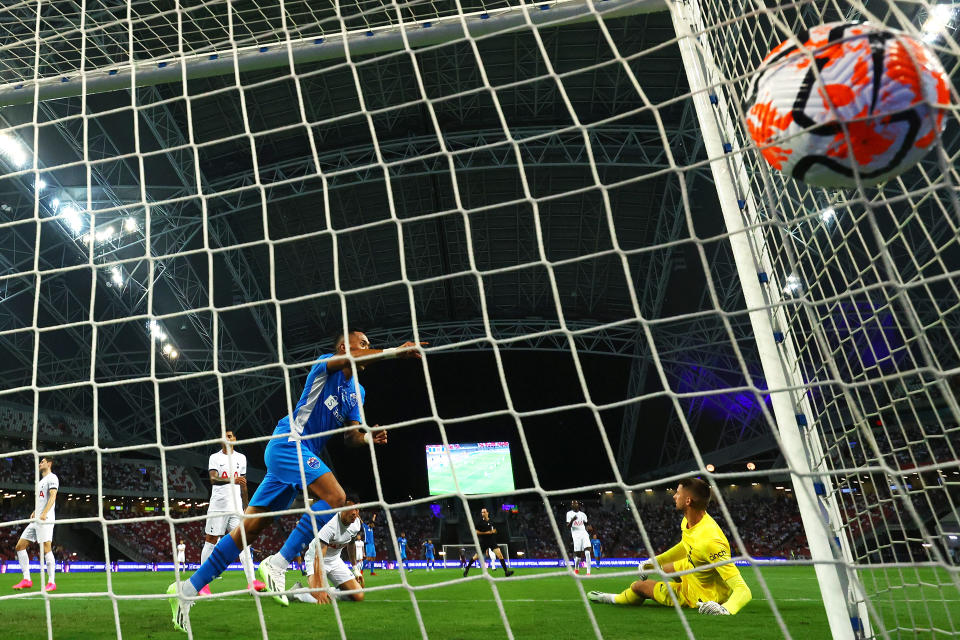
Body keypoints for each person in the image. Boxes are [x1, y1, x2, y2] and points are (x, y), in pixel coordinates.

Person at [168, 329, 424, 632]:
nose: (368, 348)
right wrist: (394, 352)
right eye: (363, 344)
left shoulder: (357, 390)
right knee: (338, 499)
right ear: (345, 347)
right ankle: (278, 563)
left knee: (244, 534)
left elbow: (350, 436)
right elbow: (351, 358)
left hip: (298, 459)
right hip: (289, 443)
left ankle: (185, 590)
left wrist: (368, 436)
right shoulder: (325, 364)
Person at [588, 477, 752, 616]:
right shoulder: (688, 521)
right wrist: (655, 561)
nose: (674, 496)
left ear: (688, 501)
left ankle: (609, 598)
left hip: (704, 595)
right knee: (664, 568)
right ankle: (673, 581)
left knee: (639, 586)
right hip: (694, 570)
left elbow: (743, 590)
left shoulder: (710, 541)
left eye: (678, 493)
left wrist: (726, 609)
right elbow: (684, 545)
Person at [199, 429, 262, 594]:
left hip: (236, 508)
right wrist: (232, 479)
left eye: (231, 436)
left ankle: (252, 581)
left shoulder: (242, 458)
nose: (229, 438)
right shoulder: (215, 457)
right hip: (218, 507)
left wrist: (246, 506)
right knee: (211, 541)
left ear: (235, 439)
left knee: (244, 542)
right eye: (225, 436)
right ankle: (202, 583)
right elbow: (213, 479)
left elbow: (243, 484)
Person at [291, 494, 365, 604]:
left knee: (358, 595)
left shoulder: (356, 524)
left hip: (335, 561)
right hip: (316, 559)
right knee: (319, 597)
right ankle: (297, 591)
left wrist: (355, 569)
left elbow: (351, 544)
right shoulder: (330, 524)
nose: (355, 513)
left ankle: (329, 592)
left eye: (357, 509)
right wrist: (320, 588)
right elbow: (319, 557)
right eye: (351, 509)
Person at [12, 456, 59, 592]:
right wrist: (35, 511)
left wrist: (44, 513)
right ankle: (26, 579)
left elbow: (53, 496)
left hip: (46, 518)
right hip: (36, 519)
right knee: (20, 546)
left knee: (46, 547)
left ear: (49, 463)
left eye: (43, 461)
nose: (40, 463)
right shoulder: (41, 482)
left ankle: (51, 582)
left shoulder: (52, 478)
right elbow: (42, 500)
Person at [463, 508, 513, 577]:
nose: (483, 513)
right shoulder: (480, 523)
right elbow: (476, 532)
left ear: (487, 513)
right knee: (475, 557)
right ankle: (467, 568)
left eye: (484, 512)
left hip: (492, 541)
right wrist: (487, 532)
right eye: (482, 512)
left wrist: (494, 531)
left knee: (500, 555)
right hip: (484, 542)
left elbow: (494, 530)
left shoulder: (491, 521)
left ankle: (506, 572)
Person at [567, 500, 591, 575]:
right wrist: (572, 520)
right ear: (571, 506)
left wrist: (589, 528)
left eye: (576, 503)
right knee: (578, 555)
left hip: (584, 533)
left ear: (578, 505)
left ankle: (588, 573)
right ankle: (576, 568)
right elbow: (568, 526)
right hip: (576, 535)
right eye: (573, 504)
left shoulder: (583, 514)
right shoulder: (569, 514)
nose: (575, 505)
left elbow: (587, 524)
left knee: (587, 552)